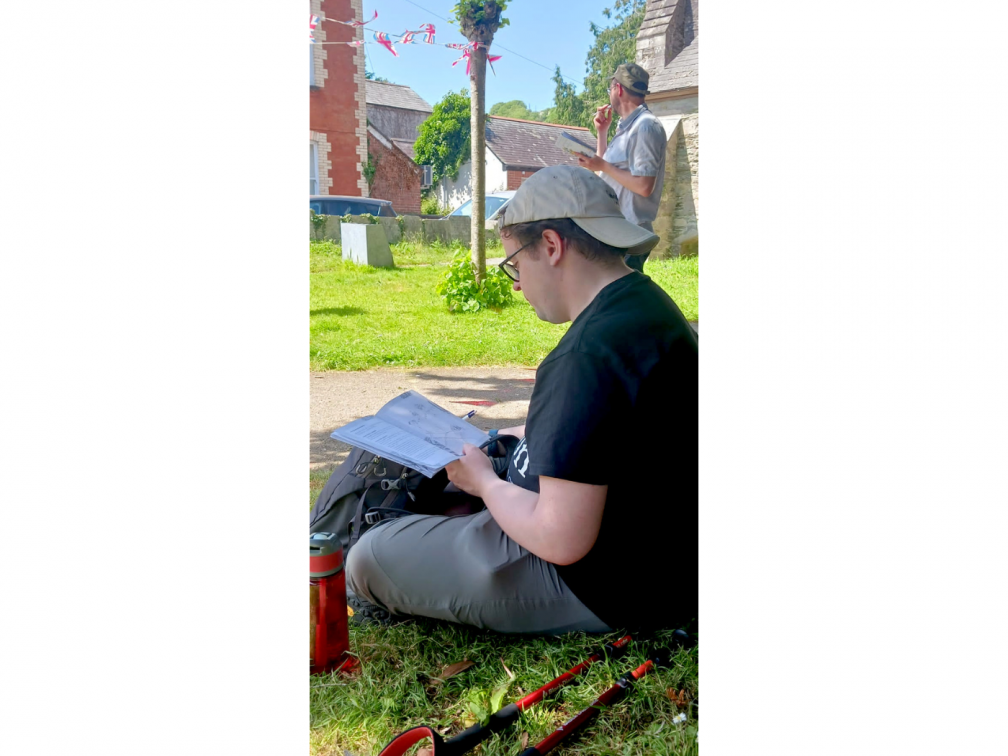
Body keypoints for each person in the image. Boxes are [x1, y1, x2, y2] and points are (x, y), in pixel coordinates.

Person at [344, 165, 697, 634]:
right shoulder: (645, 306)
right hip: (661, 553)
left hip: (612, 584)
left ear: (551, 246)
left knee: (370, 556)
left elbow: (561, 538)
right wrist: (516, 436)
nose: (515, 284)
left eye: (515, 263)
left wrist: (486, 484)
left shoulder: (585, 354)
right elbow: (611, 429)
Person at [576, 62, 668, 273]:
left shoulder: (645, 126)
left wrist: (603, 165)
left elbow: (644, 186)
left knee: (623, 299)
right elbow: (603, 172)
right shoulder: (626, 126)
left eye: (611, 89)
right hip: (615, 229)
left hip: (629, 233)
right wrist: (602, 132)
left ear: (617, 89)